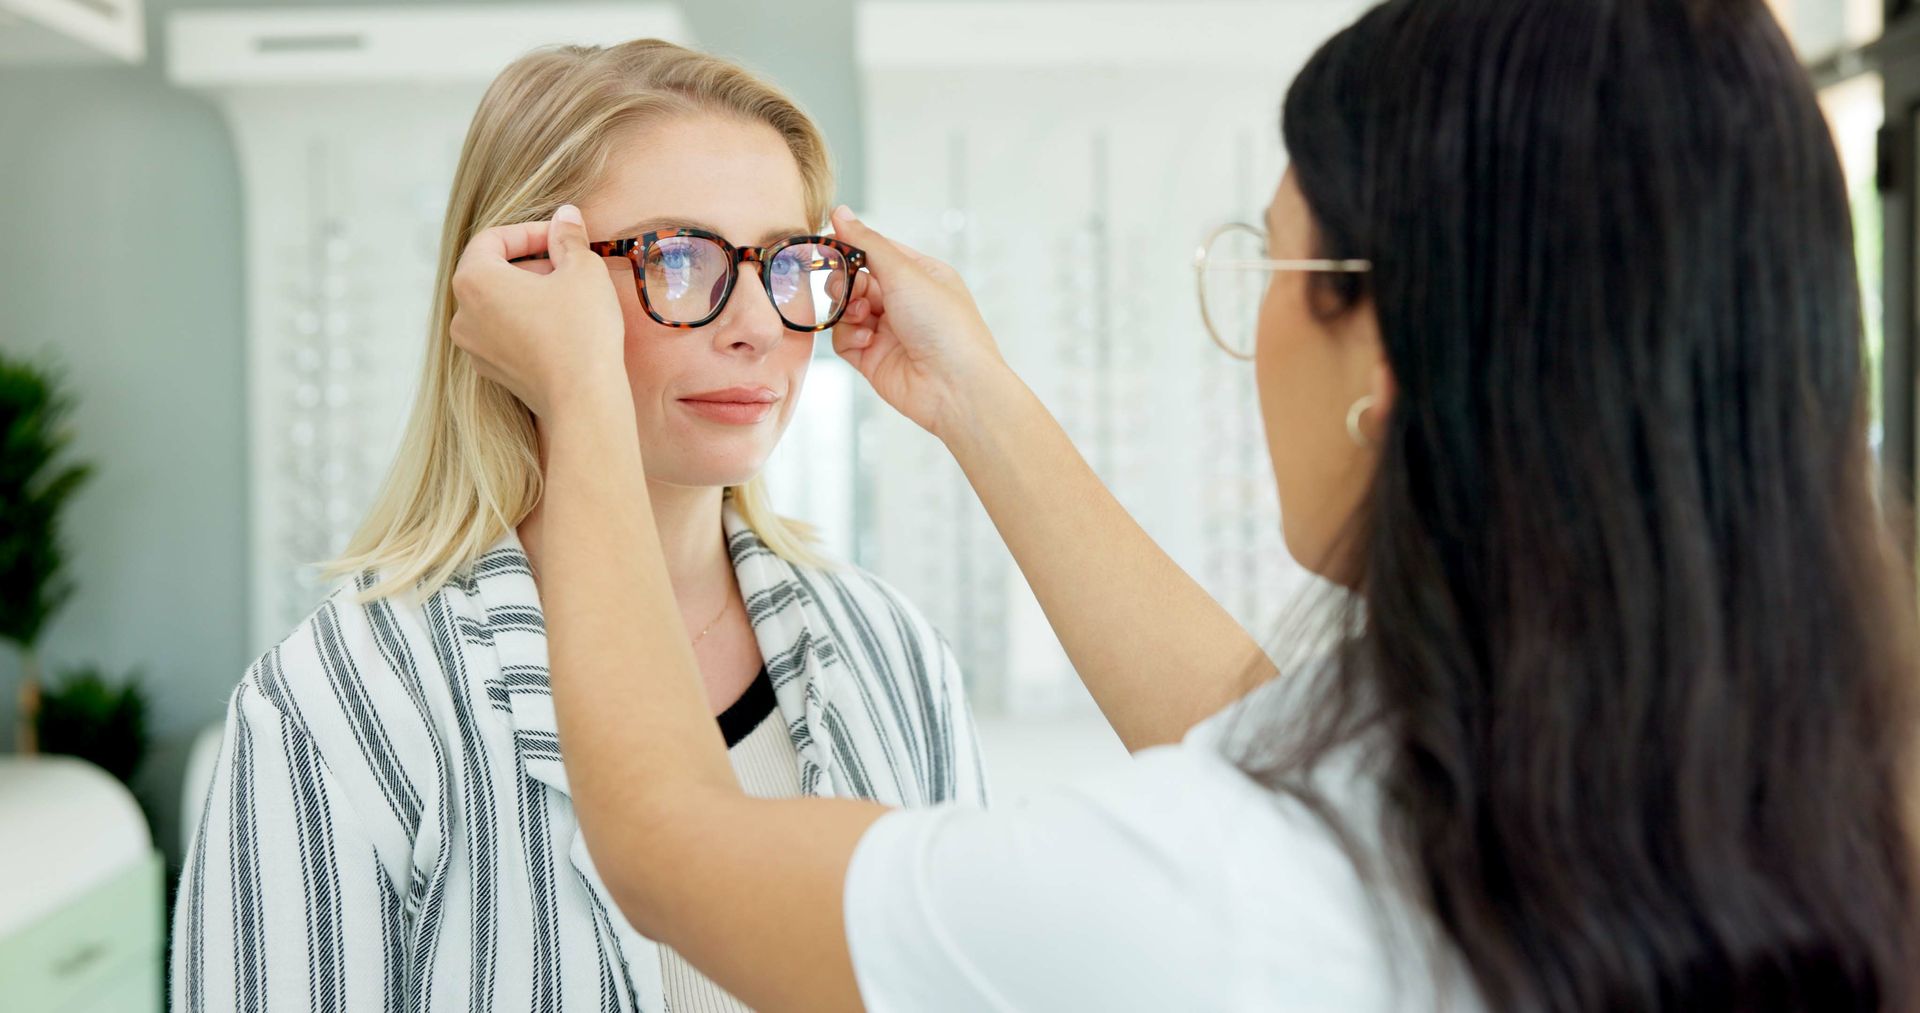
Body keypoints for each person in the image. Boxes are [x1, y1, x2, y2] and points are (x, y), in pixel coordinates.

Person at [444, 0, 1920, 1009]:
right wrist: (975, 399)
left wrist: (576, 393)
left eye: (1268, 266)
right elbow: (1264, 741)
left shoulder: (1212, 881)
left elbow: (661, 839)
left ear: (1383, 354)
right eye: (683, 265)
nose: (757, 324)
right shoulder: (1804, 801)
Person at [171, 39, 985, 1013]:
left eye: (784, 261)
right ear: (515, 288)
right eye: (679, 258)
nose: (760, 325)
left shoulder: (898, 659)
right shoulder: (337, 705)